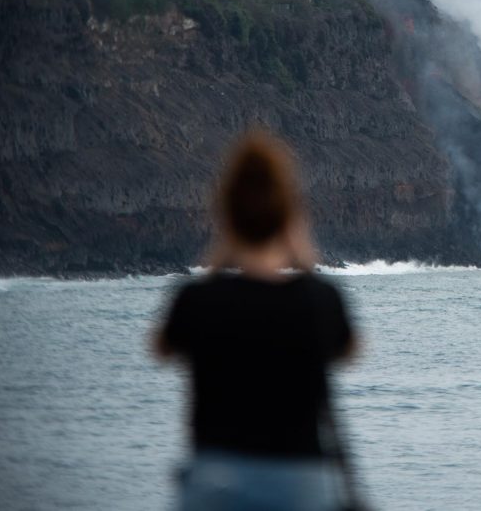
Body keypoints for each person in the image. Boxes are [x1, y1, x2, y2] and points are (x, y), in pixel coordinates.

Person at [153, 130, 359, 511]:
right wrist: (301, 253)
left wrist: (221, 253)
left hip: (218, 480)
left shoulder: (196, 299)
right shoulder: (321, 300)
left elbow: (163, 348)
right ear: (289, 215)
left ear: (225, 214)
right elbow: (347, 350)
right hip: (302, 483)